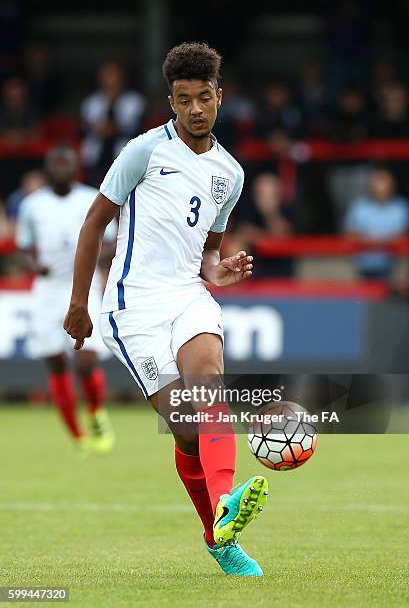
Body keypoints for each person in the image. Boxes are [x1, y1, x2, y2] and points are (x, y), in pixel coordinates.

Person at [64, 42, 269, 577]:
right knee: (186, 430)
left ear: (220, 98)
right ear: (171, 103)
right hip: (133, 309)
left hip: (187, 296)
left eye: (205, 98)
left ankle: (225, 512)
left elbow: (207, 250)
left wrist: (216, 272)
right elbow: (93, 225)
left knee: (209, 386)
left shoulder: (231, 173)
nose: (195, 109)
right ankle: (215, 536)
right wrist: (78, 302)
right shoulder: (143, 152)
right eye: (184, 100)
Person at [16, 146, 117, 453]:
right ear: (48, 169)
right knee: (55, 362)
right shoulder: (32, 205)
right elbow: (23, 247)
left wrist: (94, 262)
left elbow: (113, 241)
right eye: (55, 164)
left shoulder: (91, 199)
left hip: (83, 287)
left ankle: (95, 412)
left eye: (66, 164)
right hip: (47, 291)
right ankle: (76, 435)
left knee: (85, 361)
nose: (60, 169)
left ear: (76, 169)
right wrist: (34, 265)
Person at [80, 60, 146, 186]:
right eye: (107, 75)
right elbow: (83, 129)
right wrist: (97, 128)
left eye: (113, 75)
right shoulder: (92, 101)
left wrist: (114, 128)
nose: (110, 80)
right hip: (95, 158)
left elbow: (138, 129)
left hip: (124, 158)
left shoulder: (134, 100)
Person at [344, 167, 409, 279]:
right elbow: (350, 236)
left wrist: (374, 240)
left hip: (395, 268)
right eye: (377, 190)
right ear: (371, 189)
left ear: (392, 189)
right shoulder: (359, 207)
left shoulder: (402, 207)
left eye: (385, 190)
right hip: (363, 267)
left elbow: (404, 236)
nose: (381, 193)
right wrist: (381, 241)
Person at [227, 172, 294, 277]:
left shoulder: (288, 209)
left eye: (270, 194)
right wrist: (262, 237)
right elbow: (240, 232)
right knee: (235, 247)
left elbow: (281, 237)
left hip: (281, 269)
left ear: (278, 194)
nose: (265, 198)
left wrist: (270, 212)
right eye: (261, 194)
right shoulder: (247, 208)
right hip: (254, 265)